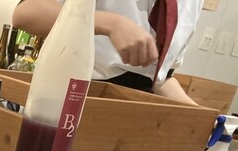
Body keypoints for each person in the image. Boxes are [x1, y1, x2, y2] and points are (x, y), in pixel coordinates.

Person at [12, 0, 204, 104]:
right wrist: (111, 23)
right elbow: (28, 12)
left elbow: (159, 79)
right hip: (70, 96)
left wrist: (201, 117)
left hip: (130, 117)